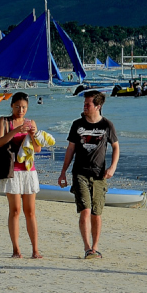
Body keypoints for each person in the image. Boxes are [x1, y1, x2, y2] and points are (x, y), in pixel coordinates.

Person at [57, 90, 119, 259]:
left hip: (100, 175)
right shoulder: (77, 124)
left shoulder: (107, 125)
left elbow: (115, 147)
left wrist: (112, 167)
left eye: (88, 104)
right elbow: (71, 149)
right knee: (85, 210)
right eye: (84, 104)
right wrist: (63, 172)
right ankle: (86, 248)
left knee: (96, 213)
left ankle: (95, 247)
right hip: (80, 173)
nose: (84, 106)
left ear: (98, 106)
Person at [0, 92, 42, 259]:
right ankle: (16, 249)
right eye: (17, 107)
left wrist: (32, 134)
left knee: (30, 212)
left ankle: (35, 250)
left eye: (24, 108)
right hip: (11, 170)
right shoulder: (4, 121)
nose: (20, 110)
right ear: (11, 106)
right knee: (15, 210)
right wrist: (16, 131)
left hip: (28, 170)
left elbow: (37, 149)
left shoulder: (30, 123)